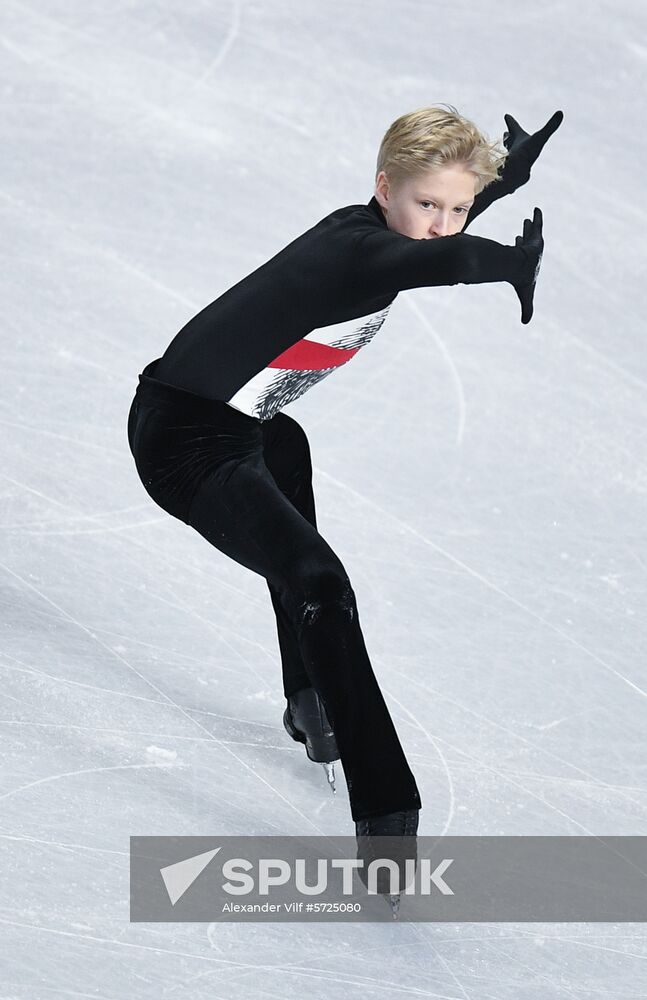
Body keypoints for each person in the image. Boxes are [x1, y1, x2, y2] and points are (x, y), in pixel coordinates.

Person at [126, 103, 563, 901]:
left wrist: (500, 180)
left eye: (455, 205)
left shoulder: (380, 230)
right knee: (322, 586)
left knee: (285, 454)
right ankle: (388, 813)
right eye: (425, 203)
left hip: (241, 425)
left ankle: (309, 694)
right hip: (182, 443)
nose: (438, 222)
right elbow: (450, 259)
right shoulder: (360, 255)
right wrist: (506, 262)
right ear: (382, 187)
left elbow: (435, 234)